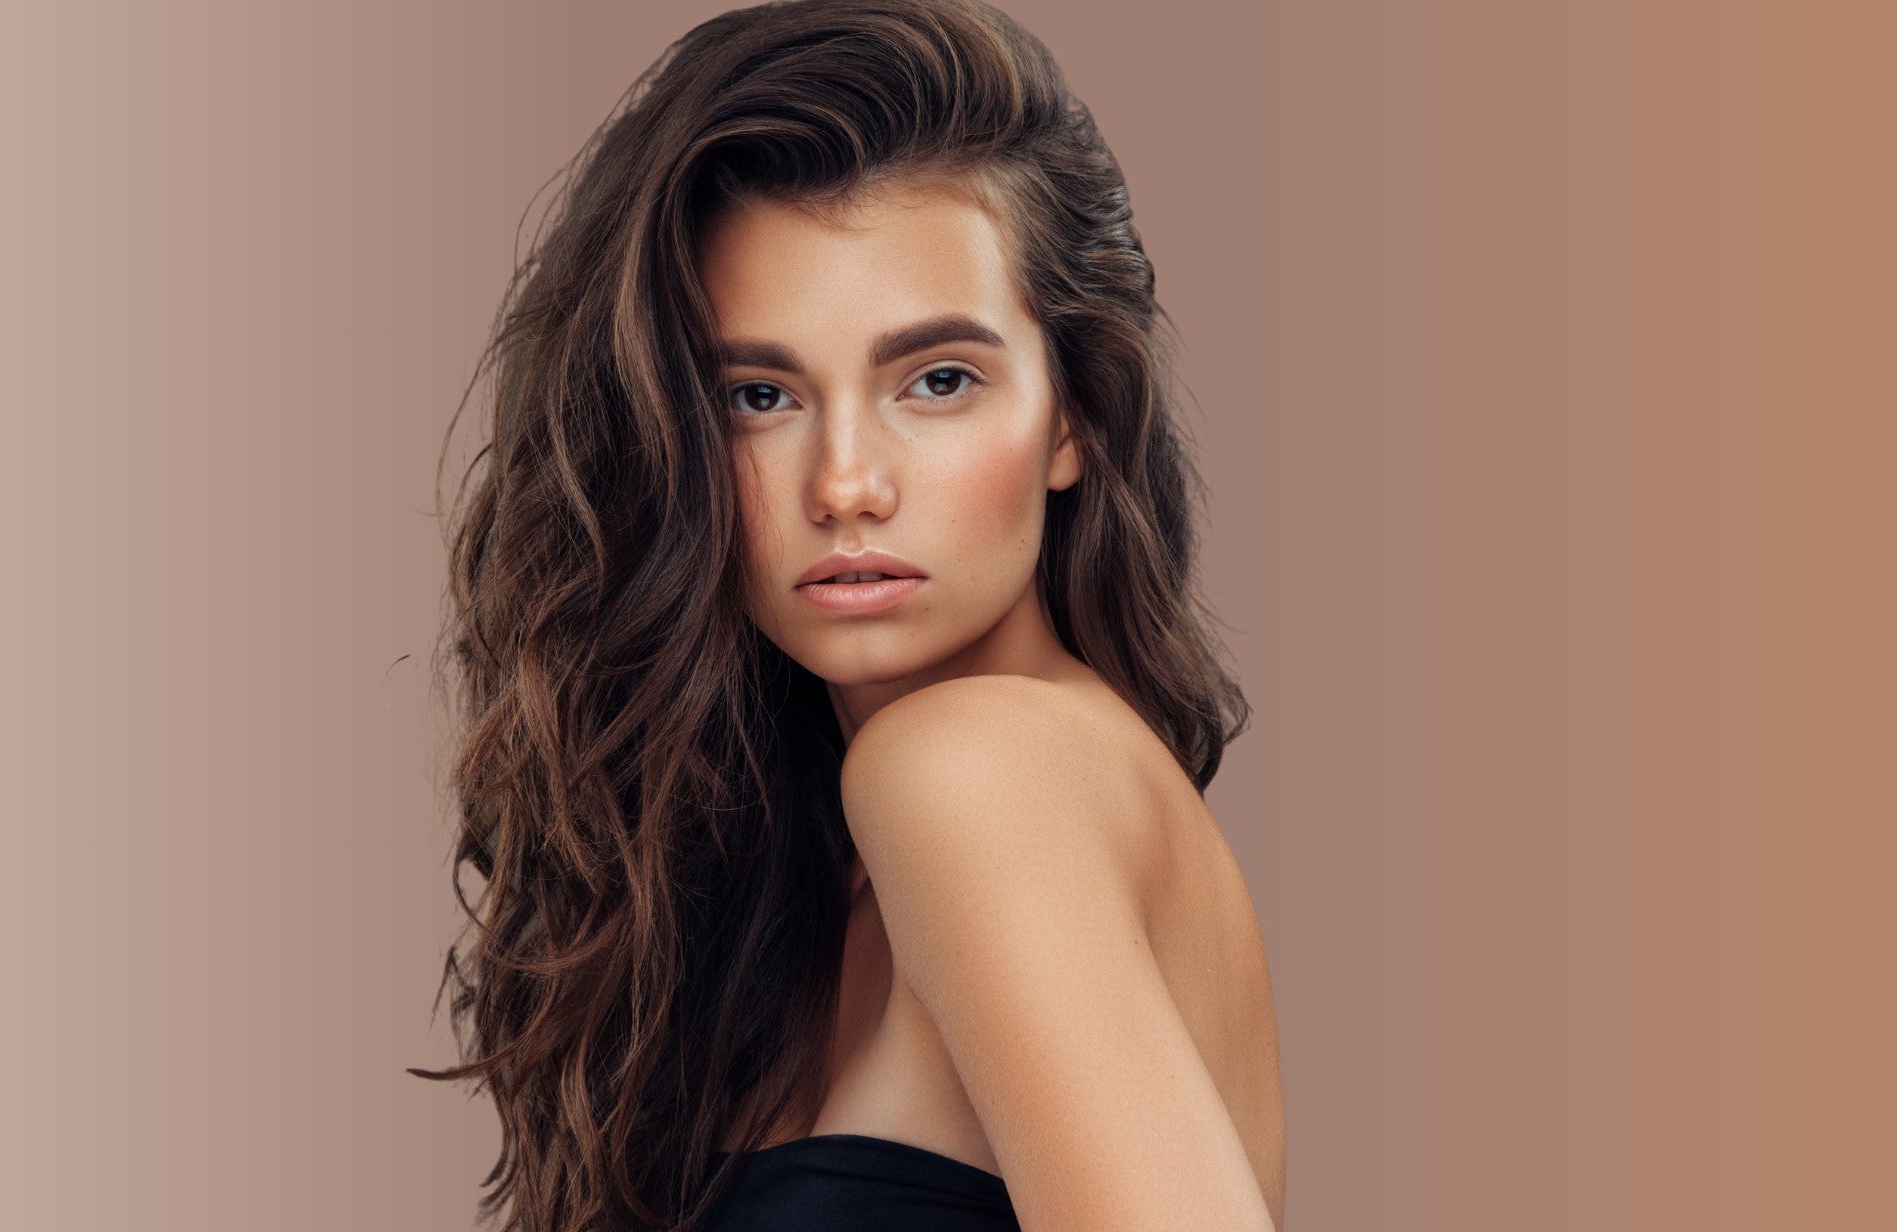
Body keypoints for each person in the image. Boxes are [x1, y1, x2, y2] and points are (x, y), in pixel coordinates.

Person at [410, 1, 1285, 1229]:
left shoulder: (971, 772)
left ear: (1074, 416)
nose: (844, 484)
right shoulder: (848, 853)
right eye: (759, 394)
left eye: (936, 380)